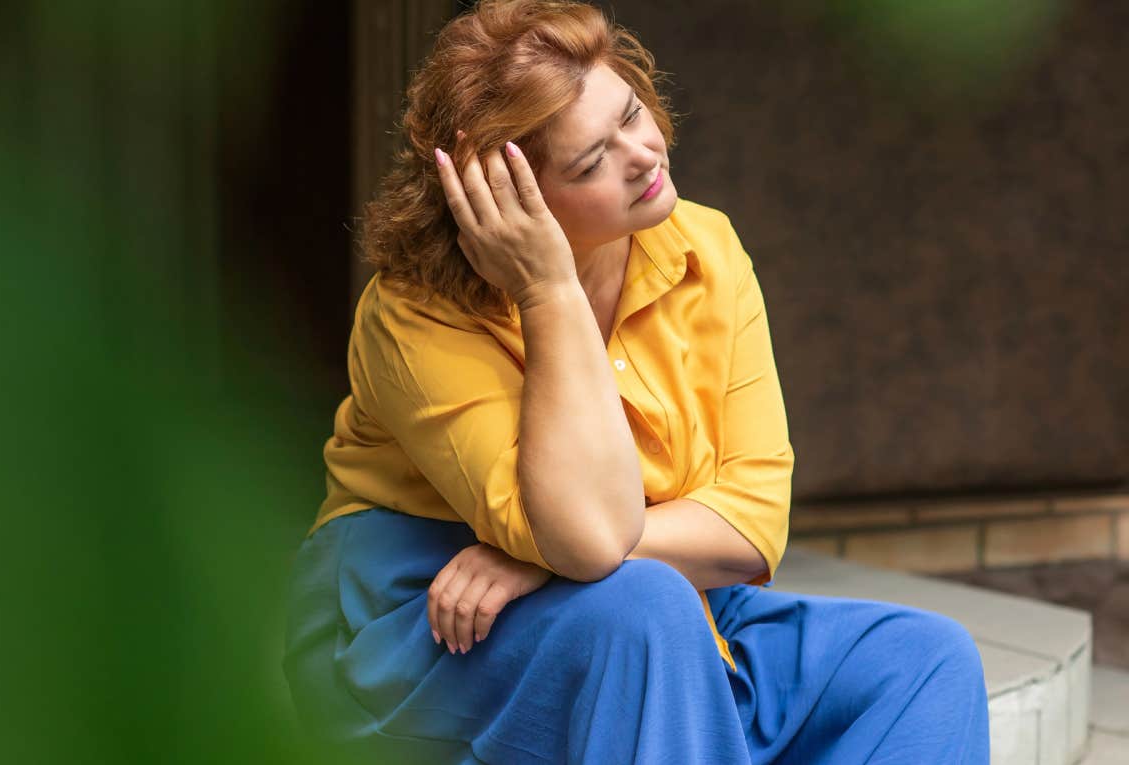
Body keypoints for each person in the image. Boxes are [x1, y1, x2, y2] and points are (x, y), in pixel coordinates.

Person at [282, 1, 991, 762]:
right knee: (641, 608)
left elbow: (751, 516)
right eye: (591, 161)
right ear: (507, 196)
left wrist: (532, 558)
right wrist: (549, 290)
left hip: (664, 611)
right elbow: (587, 537)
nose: (644, 153)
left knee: (927, 659)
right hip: (430, 624)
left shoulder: (703, 247)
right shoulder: (413, 311)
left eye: (632, 111)